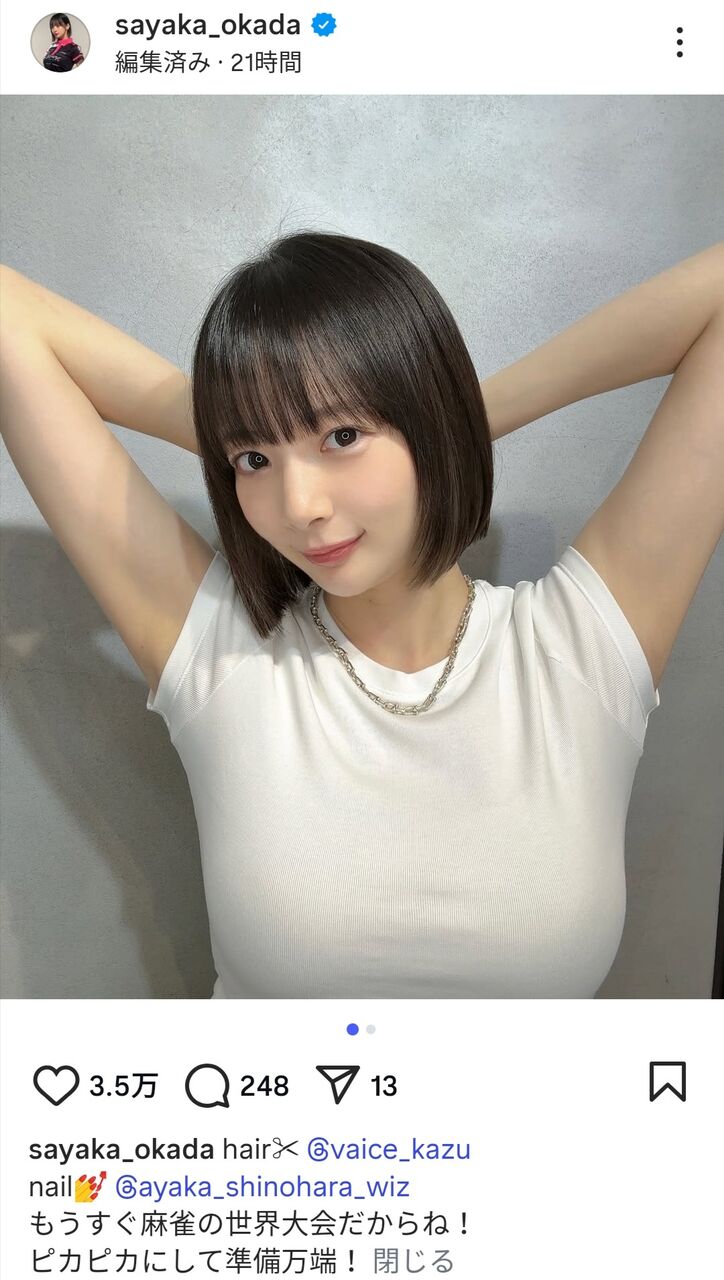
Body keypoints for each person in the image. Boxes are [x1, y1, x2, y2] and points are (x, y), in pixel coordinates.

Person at [1, 233, 722, 999]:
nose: (299, 505)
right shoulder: (222, 656)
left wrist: (457, 419)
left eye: (342, 436)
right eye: (254, 461)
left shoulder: (581, 649)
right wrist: (236, 421)